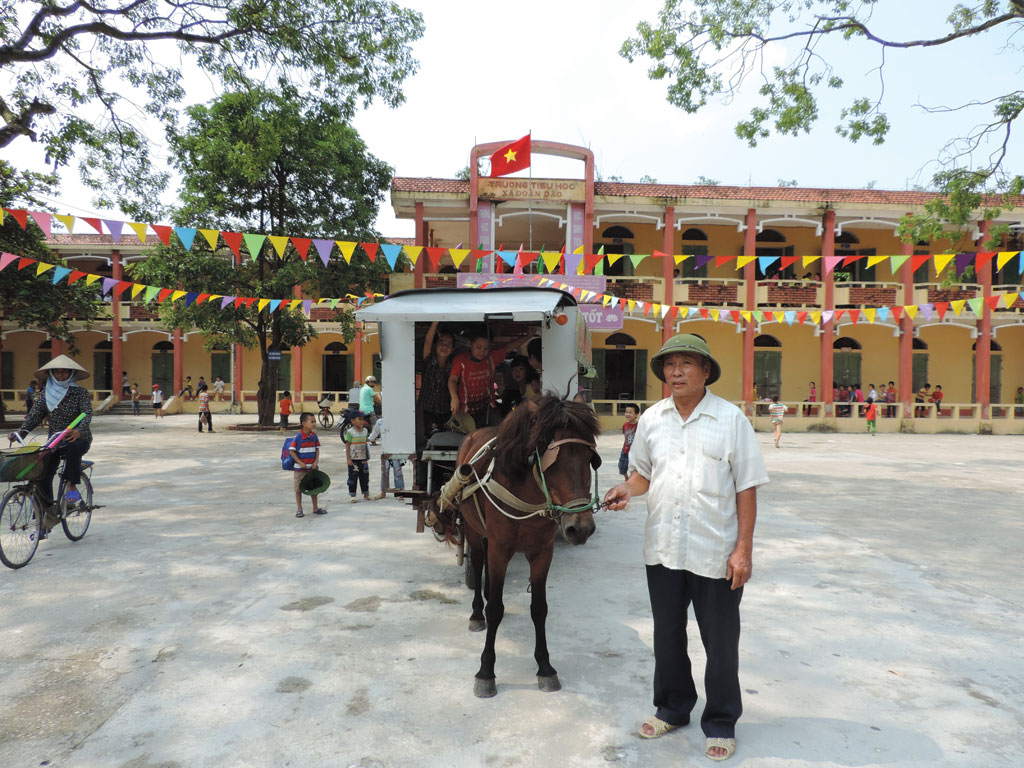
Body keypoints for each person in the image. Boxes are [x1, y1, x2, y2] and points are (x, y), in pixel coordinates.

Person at [602, 334, 768, 762]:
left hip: (716, 551)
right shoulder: (652, 420)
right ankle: (673, 708)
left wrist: (743, 550)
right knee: (667, 637)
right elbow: (642, 474)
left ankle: (721, 720)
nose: (675, 372)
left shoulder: (731, 420)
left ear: (706, 371)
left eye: (686, 364)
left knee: (721, 641)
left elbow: (747, 488)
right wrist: (626, 488)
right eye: (669, 365)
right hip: (663, 548)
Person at [9, 355, 94, 535]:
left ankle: (71, 486)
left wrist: (79, 430)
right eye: (57, 371)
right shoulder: (46, 394)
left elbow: (87, 413)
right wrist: (20, 433)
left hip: (77, 438)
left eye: (64, 371)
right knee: (41, 474)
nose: (60, 374)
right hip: (54, 441)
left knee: (73, 447)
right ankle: (46, 516)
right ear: (51, 374)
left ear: (71, 373)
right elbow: (34, 415)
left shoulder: (80, 393)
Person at [448, 328, 537, 429]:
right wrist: (454, 398)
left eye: (486, 348)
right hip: (464, 410)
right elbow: (452, 380)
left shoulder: (491, 357)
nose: (482, 352)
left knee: (503, 430)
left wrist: (529, 336)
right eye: (478, 347)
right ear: (470, 344)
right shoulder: (460, 360)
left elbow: (509, 347)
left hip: (487, 409)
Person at [418, 321, 456, 438]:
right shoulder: (429, 361)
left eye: (449, 344)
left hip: (446, 409)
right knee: (429, 437)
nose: (445, 347)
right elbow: (428, 341)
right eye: (441, 342)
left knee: (445, 437)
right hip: (428, 408)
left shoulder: (453, 365)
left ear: (453, 349)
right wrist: (435, 322)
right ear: (435, 345)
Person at [288, 412, 326, 518]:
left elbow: (317, 449)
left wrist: (315, 462)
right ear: (304, 423)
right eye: (311, 421)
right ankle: (299, 509)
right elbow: (291, 451)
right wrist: (300, 463)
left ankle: (315, 508)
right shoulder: (298, 437)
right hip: (300, 470)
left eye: (315, 421)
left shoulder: (314, 436)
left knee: (314, 488)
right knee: (298, 489)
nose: (314, 424)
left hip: (312, 469)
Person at [343, 411, 371, 502]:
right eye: (359, 419)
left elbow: (366, 445)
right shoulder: (350, 432)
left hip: (363, 459)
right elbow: (347, 445)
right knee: (353, 478)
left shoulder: (365, 431)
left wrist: (367, 457)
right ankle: (353, 495)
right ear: (352, 421)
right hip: (353, 460)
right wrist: (348, 459)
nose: (362, 421)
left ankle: (366, 493)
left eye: (363, 419)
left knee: (365, 477)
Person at [619, 403, 639, 480]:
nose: (627, 414)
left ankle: (633, 479)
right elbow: (625, 437)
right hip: (625, 450)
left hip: (635, 452)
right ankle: (626, 477)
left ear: (636, 415)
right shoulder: (625, 425)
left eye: (630, 412)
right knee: (622, 467)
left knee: (634, 468)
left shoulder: (639, 425)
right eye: (626, 412)